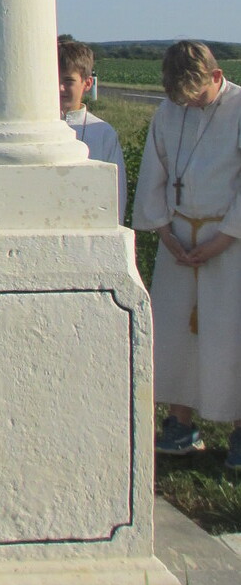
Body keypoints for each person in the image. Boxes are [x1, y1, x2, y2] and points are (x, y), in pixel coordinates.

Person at [131, 41, 241, 469]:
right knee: (178, 335)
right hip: (179, 241)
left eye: (198, 96)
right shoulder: (169, 111)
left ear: (216, 76)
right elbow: (154, 172)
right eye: (183, 99)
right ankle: (180, 425)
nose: (190, 105)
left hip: (229, 243)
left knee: (230, 334)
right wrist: (164, 231)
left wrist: (223, 240)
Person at [58, 39, 126, 218]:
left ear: (87, 83)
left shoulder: (102, 133)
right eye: (54, 80)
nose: (60, 88)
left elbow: (116, 191)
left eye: (68, 81)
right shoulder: (38, 127)